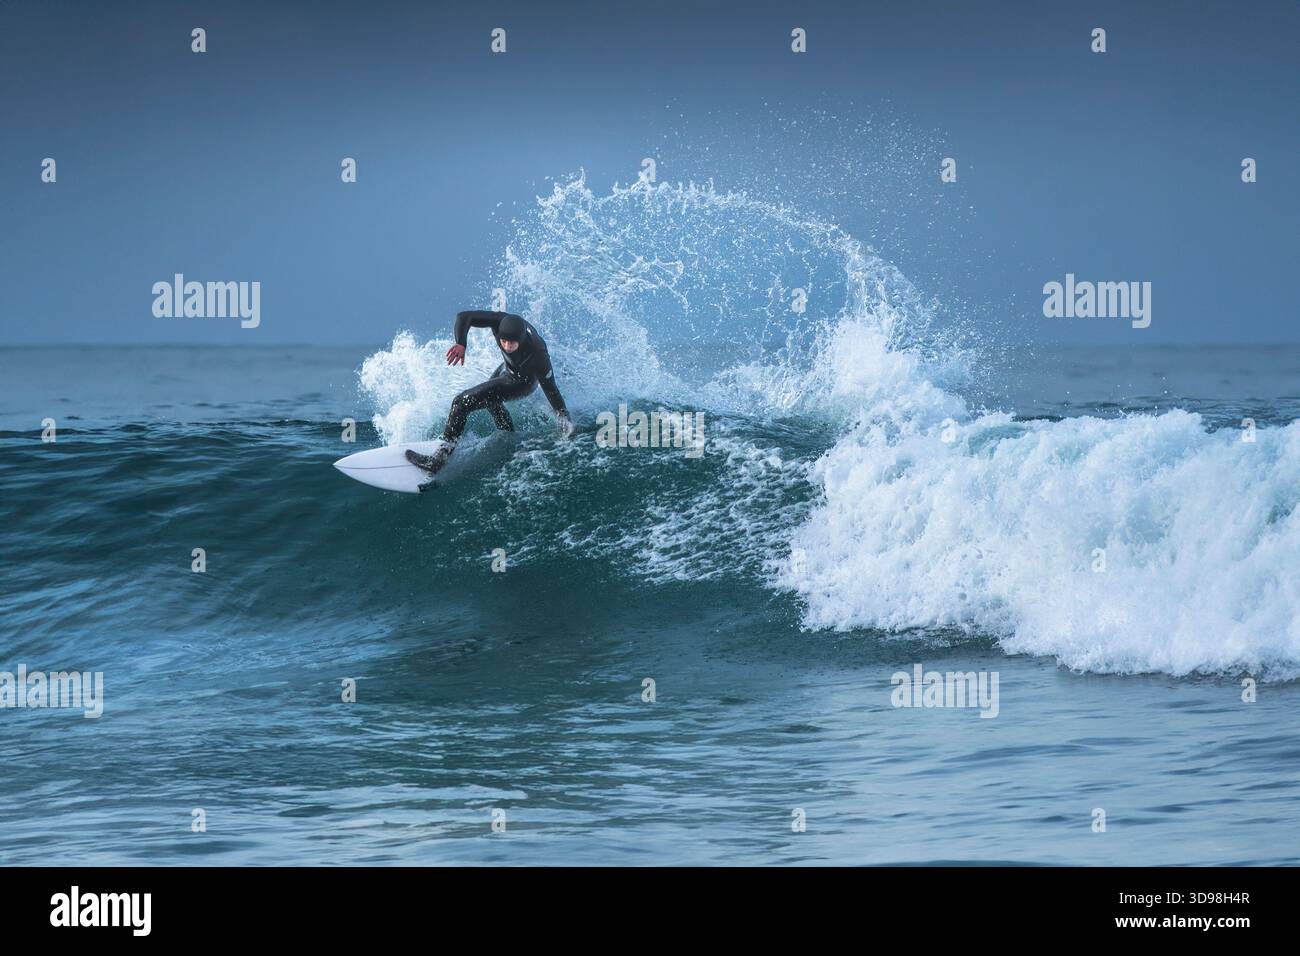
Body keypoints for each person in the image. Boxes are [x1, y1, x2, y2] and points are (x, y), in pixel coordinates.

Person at [406, 310, 572, 478]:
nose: (506, 346)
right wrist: (461, 343)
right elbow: (464, 317)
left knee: (461, 402)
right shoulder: (500, 321)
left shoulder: (538, 353)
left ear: (521, 340)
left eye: (512, 343)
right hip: (507, 369)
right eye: (503, 341)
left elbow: (551, 388)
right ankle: (509, 436)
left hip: (522, 382)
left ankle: (438, 460)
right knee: (491, 400)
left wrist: (563, 417)